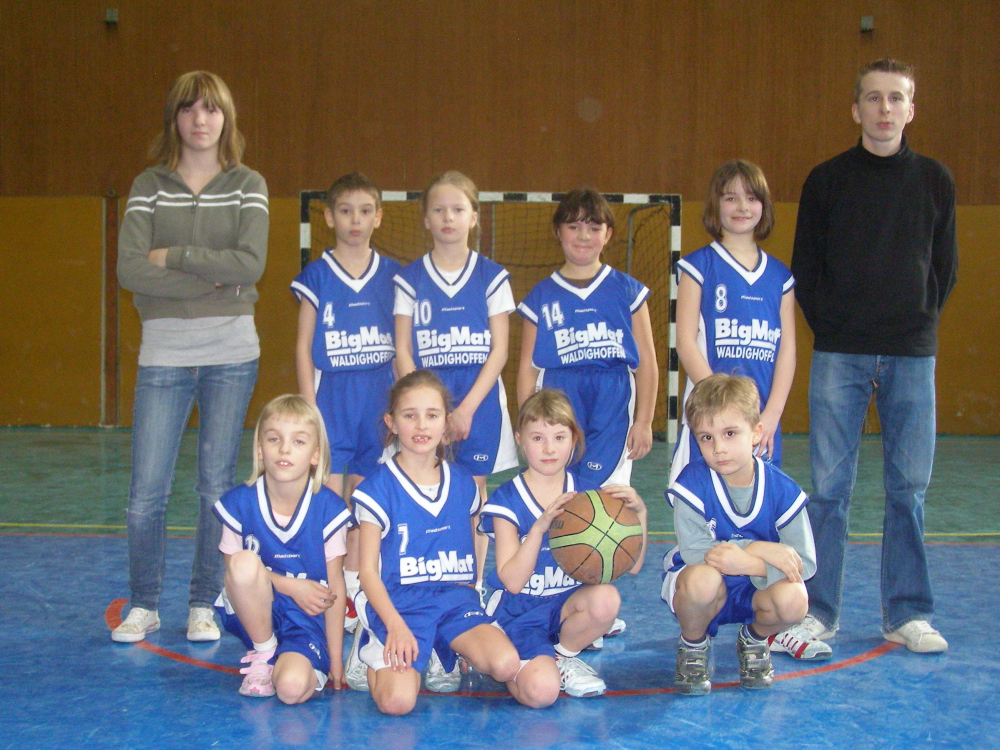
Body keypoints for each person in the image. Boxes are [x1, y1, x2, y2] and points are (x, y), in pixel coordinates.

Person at [790, 58, 957, 654]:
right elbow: (805, 270)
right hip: (840, 354)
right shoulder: (827, 180)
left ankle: (907, 613)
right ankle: (819, 611)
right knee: (828, 492)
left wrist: (916, 323)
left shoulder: (935, 180)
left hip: (912, 355)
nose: (885, 109)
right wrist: (836, 326)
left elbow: (946, 268)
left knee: (907, 490)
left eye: (896, 99)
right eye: (873, 98)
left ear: (911, 109)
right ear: (855, 108)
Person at [113, 71, 268, 643]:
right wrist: (213, 278)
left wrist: (172, 257)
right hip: (164, 355)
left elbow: (249, 267)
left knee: (212, 487)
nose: (200, 120)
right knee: (145, 493)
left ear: (226, 118)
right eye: (188, 109)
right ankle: (145, 603)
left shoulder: (248, 183)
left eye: (211, 109)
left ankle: (204, 601)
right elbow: (130, 270)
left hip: (232, 352)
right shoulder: (148, 185)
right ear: (174, 119)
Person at [348, 370, 521, 715]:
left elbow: (472, 541)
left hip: (454, 601)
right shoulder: (376, 488)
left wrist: (471, 590)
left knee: (504, 665)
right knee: (398, 702)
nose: (421, 425)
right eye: (409, 415)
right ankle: (370, 644)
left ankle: (446, 649)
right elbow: (366, 571)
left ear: (446, 423)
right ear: (392, 423)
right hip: (401, 605)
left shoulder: (464, 484)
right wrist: (395, 626)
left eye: (432, 415)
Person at [479, 389, 647, 706]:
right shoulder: (506, 500)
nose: (549, 448)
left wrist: (640, 514)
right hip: (520, 614)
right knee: (542, 693)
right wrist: (540, 527)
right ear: (520, 439)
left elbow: (633, 565)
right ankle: (510, 657)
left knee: (606, 599)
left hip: (565, 607)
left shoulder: (587, 495)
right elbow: (512, 581)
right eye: (538, 438)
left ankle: (561, 656)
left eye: (559, 437)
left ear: (574, 440)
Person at [393, 171, 518, 592]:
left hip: (477, 401)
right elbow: (403, 349)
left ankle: (471, 583)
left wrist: (463, 409)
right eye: (439, 210)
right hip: (429, 401)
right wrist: (429, 411)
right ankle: (424, 575)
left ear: (474, 217)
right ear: (426, 219)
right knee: (423, 485)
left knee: (472, 491)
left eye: (458, 209)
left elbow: (499, 351)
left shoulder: (492, 276)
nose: (448, 217)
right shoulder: (409, 279)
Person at [291, 172, 401, 633]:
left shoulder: (396, 275)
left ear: (379, 216)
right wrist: (307, 410)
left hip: (377, 402)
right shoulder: (317, 274)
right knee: (328, 506)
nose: (354, 220)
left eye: (363, 210)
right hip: (333, 400)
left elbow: (403, 341)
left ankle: (356, 593)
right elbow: (302, 347)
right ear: (329, 216)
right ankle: (324, 589)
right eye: (344, 210)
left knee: (364, 507)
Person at [661, 374, 816, 694]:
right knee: (700, 580)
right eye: (706, 437)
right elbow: (694, 551)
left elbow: (805, 564)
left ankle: (755, 639)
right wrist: (759, 548)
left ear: (756, 431)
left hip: (754, 585)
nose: (719, 448)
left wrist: (750, 564)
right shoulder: (692, 482)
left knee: (795, 599)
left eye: (730, 433)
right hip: (702, 583)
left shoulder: (783, 490)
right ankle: (693, 645)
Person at [213, 395, 350, 702]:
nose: (284, 449)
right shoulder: (239, 503)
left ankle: (284, 659)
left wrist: (336, 657)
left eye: (298, 442)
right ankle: (263, 651)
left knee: (290, 690)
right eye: (274, 439)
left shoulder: (329, 509)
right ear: (260, 449)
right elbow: (233, 571)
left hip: (306, 617)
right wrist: (292, 586)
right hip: (255, 608)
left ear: (316, 454)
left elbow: (336, 583)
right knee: (243, 562)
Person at [517, 188, 658, 488]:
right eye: (574, 226)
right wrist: (528, 423)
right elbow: (527, 367)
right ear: (558, 231)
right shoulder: (542, 295)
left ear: (608, 235)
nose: (584, 236)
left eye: (594, 228)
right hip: (559, 389)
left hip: (613, 391)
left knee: (607, 485)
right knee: (558, 481)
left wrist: (644, 421)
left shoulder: (628, 291)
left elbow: (646, 362)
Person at [669, 160, 795, 481]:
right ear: (715, 205)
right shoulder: (698, 267)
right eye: (730, 198)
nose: (742, 206)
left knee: (761, 509)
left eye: (752, 198)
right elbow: (685, 342)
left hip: (760, 420)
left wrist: (771, 414)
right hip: (710, 418)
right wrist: (722, 411)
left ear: (764, 207)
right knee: (703, 507)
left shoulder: (780, 276)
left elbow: (788, 351)